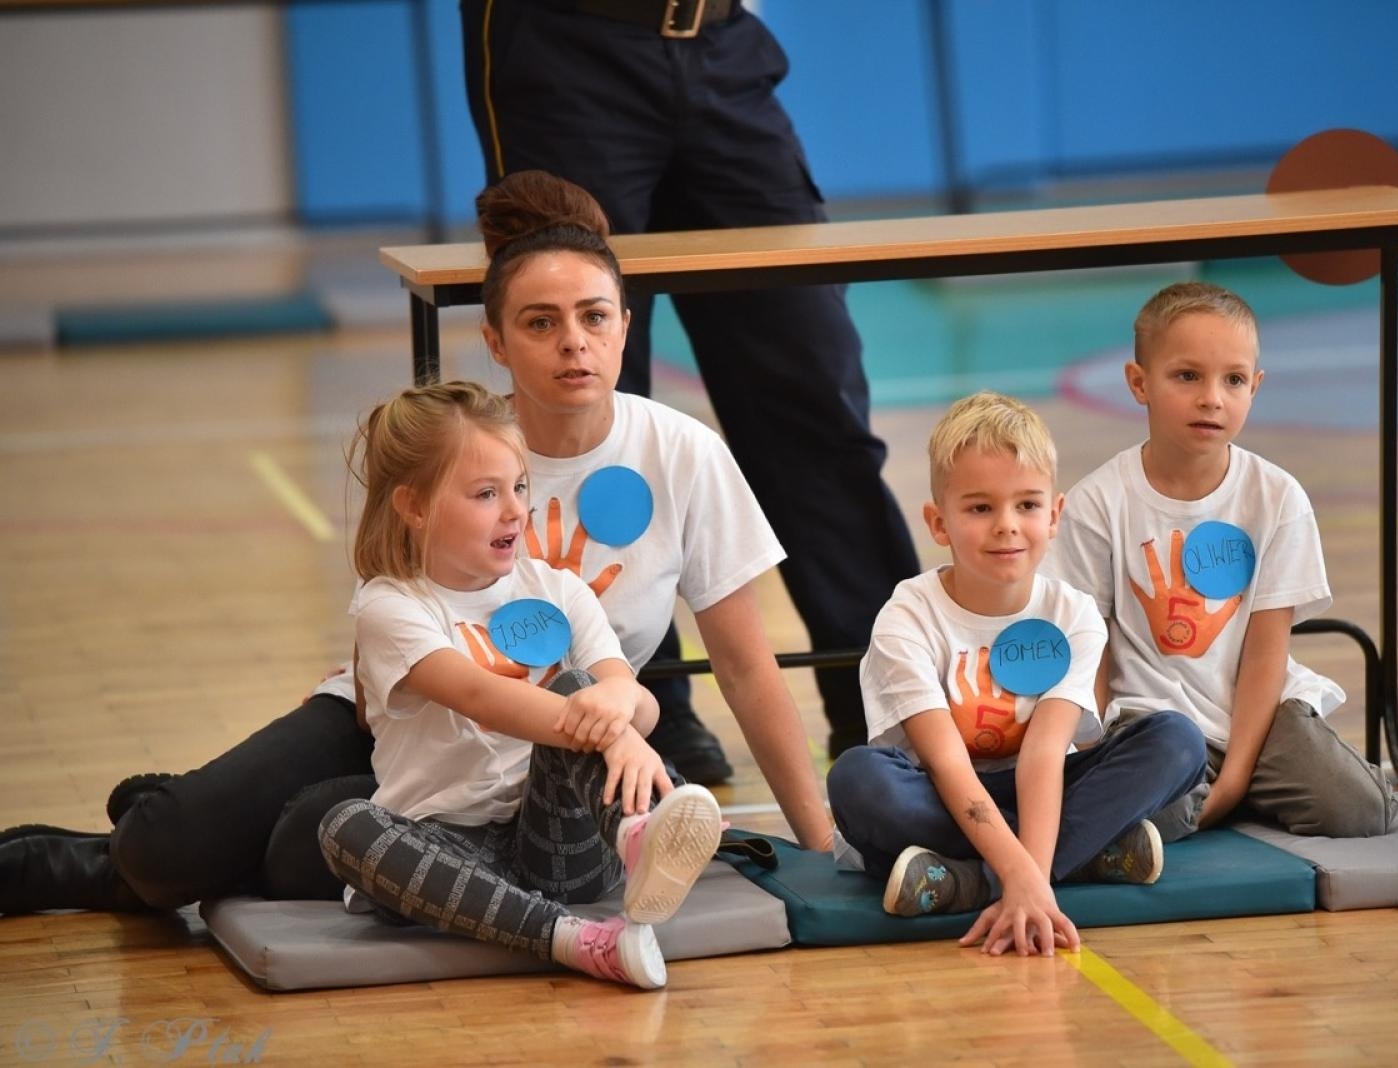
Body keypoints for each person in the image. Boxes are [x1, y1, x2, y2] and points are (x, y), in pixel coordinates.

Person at [0, 171, 833, 918]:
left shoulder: (684, 452)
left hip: (543, 759)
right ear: (499, 343)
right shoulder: (460, 442)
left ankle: (243, 833)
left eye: (593, 317)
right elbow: (396, 607)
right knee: (165, 852)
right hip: (394, 719)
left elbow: (748, 667)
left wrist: (821, 850)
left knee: (301, 846)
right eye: (540, 324)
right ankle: (125, 847)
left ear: (624, 325)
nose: (573, 342)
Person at [459, 0, 922, 777]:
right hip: (567, 45)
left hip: (720, 43)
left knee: (816, 398)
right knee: (579, 403)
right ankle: (638, 710)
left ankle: (884, 703)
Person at [316, 379, 719, 990]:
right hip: (450, 852)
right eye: (486, 493)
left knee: (581, 685)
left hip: (560, 844)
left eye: (520, 487)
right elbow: (481, 697)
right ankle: (577, 941)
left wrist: (625, 719)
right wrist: (616, 726)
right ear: (415, 506)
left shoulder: (558, 589)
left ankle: (638, 839)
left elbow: (629, 694)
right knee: (346, 827)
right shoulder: (390, 606)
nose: (514, 510)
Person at [826, 392, 1207, 956]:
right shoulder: (907, 616)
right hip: (939, 793)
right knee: (858, 779)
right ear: (939, 522)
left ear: (1054, 515)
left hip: (1046, 786)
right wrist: (1026, 869)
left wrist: (1020, 876)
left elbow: (1045, 754)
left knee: (1177, 740)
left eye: (1026, 506)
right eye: (980, 509)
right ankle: (1080, 858)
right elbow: (948, 762)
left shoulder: (1073, 614)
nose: (1007, 526)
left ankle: (966, 882)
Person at [1048, 282, 1397, 840]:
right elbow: (1090, 646)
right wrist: (1088, 750)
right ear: (1139, 383)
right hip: (1152, 724)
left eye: (1233, 380)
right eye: (1187, 376)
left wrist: (1234, 779)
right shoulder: (1098, 501)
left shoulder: (1277, 497)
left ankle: (1223, 798)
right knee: (1134, 811)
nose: (1213, 397)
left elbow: (1266, 652)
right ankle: (1192, 804)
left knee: (1359, 811)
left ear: (1255, 387)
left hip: (1260, 722)